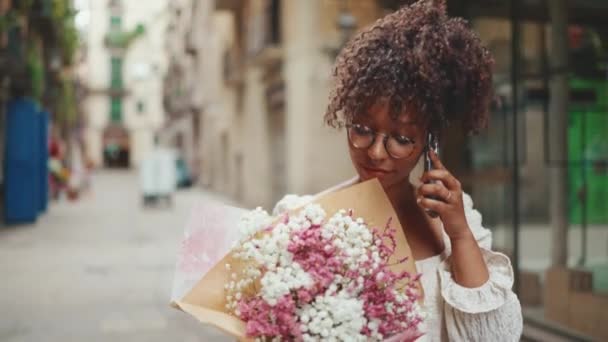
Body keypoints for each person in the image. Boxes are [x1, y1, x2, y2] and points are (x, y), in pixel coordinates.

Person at [272, 1, 523, 341]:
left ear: (429, 140)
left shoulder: (456, 228)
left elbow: (494, 337)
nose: (375, 152)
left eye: (402, 138)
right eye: (361, 129)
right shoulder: (307, 221)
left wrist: (460, 233)